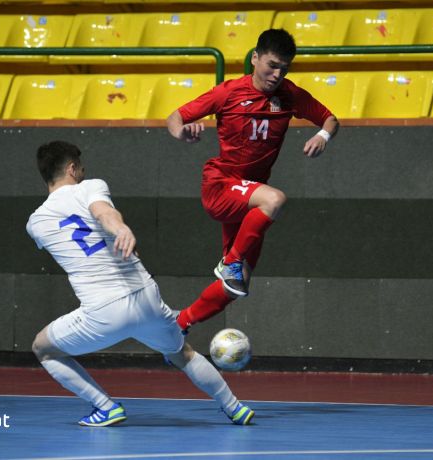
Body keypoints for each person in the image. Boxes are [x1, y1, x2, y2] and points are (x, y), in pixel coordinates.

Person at [27, 140, 254, 427]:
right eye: (81, 167)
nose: (84, 172)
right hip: (146, 297)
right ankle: (235, 408)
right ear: (72, 168)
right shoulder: (90, 186)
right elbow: (102, 212)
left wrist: (114, 232)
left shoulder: (35, 223)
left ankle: (105, 407)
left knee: (42, 348)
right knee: (182, 353)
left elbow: (80, 237)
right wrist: (120, 228)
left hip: (103, 313)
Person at [167, 28, 339, 332]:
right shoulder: (228, 92)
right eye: (271, 65)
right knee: (275, 199)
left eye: (284, 68)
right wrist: (182, 133)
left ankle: (179, 323)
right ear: (255, 58)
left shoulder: (290, 94)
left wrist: (323, 135)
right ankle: (229, 261)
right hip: (221, 185)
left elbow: (329, 119)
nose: (276, 74)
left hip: (249, 201)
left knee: (238, 285)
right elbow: (175, 118)